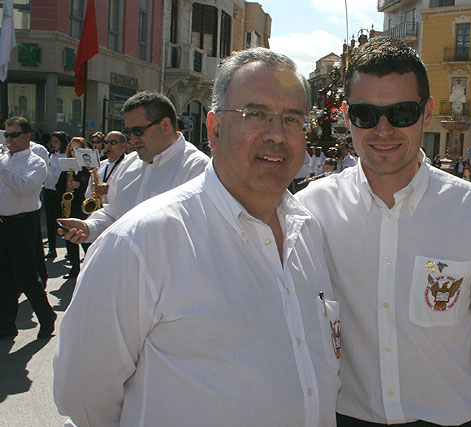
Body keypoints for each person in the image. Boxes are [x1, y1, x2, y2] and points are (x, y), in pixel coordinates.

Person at [54, 48, 340, 426]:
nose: (277, 134)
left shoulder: (309, 231)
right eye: (255, 114)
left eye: (292, 119)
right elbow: (84, 398)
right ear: (215, 129)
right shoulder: (140, 244)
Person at [297, 36, 471, 427]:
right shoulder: (310, 210)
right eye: (365, 114)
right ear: (346, 116)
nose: (383, 129)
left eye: (402, 112)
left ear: (427, 114)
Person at [57, 91, 210, 244]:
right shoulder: (128, 163)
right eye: (129, 132)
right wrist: (87, 227)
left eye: (138, 131)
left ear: (164, 125)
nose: (132, 139)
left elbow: (199, 236)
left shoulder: (197, 169)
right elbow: (113, 214)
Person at [0, 117, 57, 339]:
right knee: (3, 278)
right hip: (3, 222)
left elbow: (25, 188)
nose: (9, 139)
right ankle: (6, 324)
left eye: (14, 135)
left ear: (27, 136)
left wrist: (2, 171)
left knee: (26, 277)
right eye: (7, 134)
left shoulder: (36, 162)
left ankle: (46, 316)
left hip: (22, 223)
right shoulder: (4, 159)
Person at [56, 137, 91, 279]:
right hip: (70, 206)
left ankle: (90, 267)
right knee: (69, 238)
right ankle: (75, 268)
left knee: (85, 238)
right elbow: (59, 185)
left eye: (77, 149)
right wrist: (65, 191)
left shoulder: (88, 166)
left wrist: (79, 185)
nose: (73, 152)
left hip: (82, 206)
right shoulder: (68, 166)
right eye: (71, 149)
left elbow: (92, 183)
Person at [43, 131, 68, 259]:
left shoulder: (65, 156)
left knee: (61, 221)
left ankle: (69, 247)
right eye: (52, 141)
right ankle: (52, 249)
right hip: (47, 190)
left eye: (56, 142)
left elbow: (60, 176)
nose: (53, 144)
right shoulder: (50, 155)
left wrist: (50, 167)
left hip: (58, 192)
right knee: (49, 220)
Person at [84, 130, 128, 205]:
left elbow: (129, 194)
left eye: (113, 143)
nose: (108, 145)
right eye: (106, 142)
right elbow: (89, 192)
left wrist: (109, 191)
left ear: (123, 146)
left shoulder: (129, 165)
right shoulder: (99, 165)